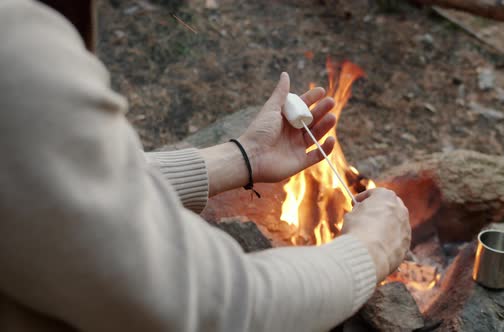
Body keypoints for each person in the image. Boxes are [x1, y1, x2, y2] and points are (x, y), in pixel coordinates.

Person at [0, 1, 411, 331]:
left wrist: (243, 156)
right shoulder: (19, 50)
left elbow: (57, 178)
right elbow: (213, 305)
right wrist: (368, 250)